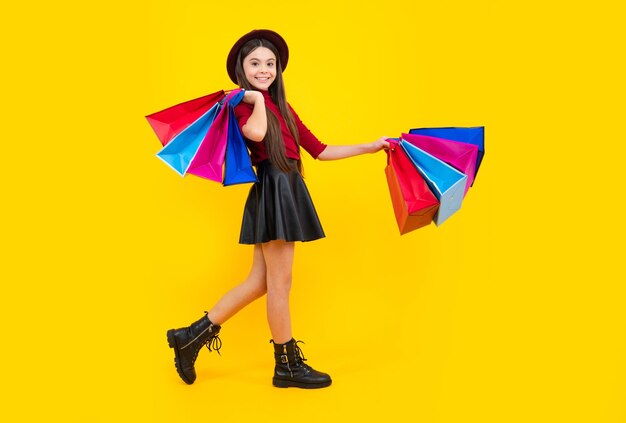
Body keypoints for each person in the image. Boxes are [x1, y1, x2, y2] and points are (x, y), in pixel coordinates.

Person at [167, 29, 389, 389]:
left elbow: (320, 149)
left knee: (259, 283)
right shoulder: (242, 104)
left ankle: (190, 336)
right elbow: (256, 134)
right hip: (275, 188)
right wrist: (254, 100)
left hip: (286, 186)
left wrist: (370, 147)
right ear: (242, 69)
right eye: (255, 63)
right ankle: (286, 364)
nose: (264, 69)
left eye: (270, 64)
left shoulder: (282, 106)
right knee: (280, 285)